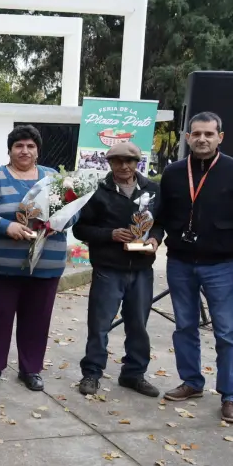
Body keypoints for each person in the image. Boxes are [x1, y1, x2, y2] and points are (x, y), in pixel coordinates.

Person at [156, 111, 233, 422]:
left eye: (209, 134)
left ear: (220, 137)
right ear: (188, 138)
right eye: (196, 134)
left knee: (227, 332)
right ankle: (192, 382)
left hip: (220, 264)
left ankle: (230, 396)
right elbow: (160, 214)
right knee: (184, 326)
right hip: (180, 262)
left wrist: (230, 241)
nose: (202, 139)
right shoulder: (173, 172)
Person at [0, 125, 68, 392]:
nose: (24, 151)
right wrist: (6, 226)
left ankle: (30, 369)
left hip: (45, 266)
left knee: (37, 320)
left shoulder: (53, 178)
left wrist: (58, 221)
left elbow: (74, 210)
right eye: (19, 146)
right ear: (10, 150)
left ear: (38, 151)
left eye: (30, 146)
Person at [72, 141, 162, 397]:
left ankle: (134, 374)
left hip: (142, 268)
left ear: (137, 163)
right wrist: (110, 234)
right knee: (99, 325)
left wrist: (155, 239)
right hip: (108, 268)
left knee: (138, 325)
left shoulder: (152, 189)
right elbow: (80, 229)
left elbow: (160, 223)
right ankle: (91, 373)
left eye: (129, 161)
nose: (124, 166)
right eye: (118, 161)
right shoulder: (97, 190)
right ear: (109, 163)